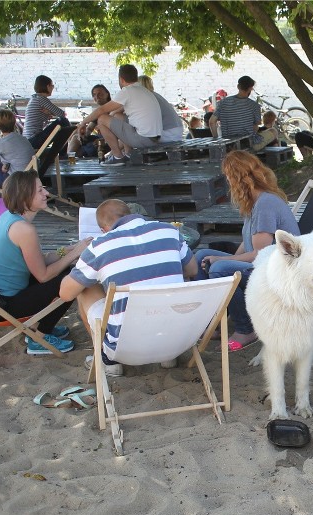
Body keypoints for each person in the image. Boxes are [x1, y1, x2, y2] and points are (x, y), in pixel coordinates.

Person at [59, 199, 198, 376]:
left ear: (103, 230)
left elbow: (65, 294)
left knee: (84, 287)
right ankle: (166, 358)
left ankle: (109, 361)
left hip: (124, 348)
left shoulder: (99, 246)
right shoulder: (169, 231)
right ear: (130, 213)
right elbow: (192, 270)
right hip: (176, 341)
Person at [194, 151, 300, 352]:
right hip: (260, 263)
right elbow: (248, 244)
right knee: (201, 256)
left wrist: (222, 260)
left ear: (237, 178)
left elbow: (261, 252)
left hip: (276, 270)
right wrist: (227, 258)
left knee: (220, 269)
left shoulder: (265, 204)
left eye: (228, 177)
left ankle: (245, 329)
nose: (227, 182)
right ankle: (212, 324)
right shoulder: (255, 202)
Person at [0, 170, 90, 355]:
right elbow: (43, 275)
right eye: (40, 190)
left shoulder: (8, 217)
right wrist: (76, 254)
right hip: (5, 304)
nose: (46, 193)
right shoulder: (24, 229)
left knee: (66, 272)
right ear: (24, 196)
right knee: (73, 280)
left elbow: (40, 261)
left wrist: (70, 249)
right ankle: (39, 337)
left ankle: (38, 326)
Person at [77, 64, 162, 166]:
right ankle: (128, 154)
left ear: (121, 79)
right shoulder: (143, 90)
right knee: (118, 116)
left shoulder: (127, 91)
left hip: (143, 140)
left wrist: (83, 122)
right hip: (155, 139)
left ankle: (118, 157)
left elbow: (102, 110)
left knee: (101, 119)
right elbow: (116, 114)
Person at [209, 75, 278, 151]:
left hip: (228, 144)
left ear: (238, 86)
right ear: (250, 88)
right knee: (273, 131)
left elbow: (212, 122)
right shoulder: (254, 105)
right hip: (247, 144)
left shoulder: (223, 102)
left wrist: (216, 139)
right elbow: (255, 127)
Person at [23, 75, 70, 149]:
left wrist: (50, 113)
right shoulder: (41, 99)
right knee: (64, 121)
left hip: (28, 140)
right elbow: (62, 114)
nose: (52, 88)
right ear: (47, 86)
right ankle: (60, 152)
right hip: (34, 139)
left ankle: (60, 152)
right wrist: (51, 113)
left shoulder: (34, 98)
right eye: (52, 86)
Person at [68, 84, 111, 158]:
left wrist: (104, 139)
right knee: (76, 137)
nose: (97, 97)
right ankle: (69, 159)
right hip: (99, 138)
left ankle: (72, 160)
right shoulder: (98, 111)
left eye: (100, 94)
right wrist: (83, 135)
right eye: (94, 95)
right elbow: (90, 128)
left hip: (110, 140)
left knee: (84, 149)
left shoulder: (112, 108)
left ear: (107, 94)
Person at [137, 74, 183, 143]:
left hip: (168, 134)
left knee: (134, 135)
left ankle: (119, 152)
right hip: (176, 131)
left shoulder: (147, 98)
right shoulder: (155, 95)